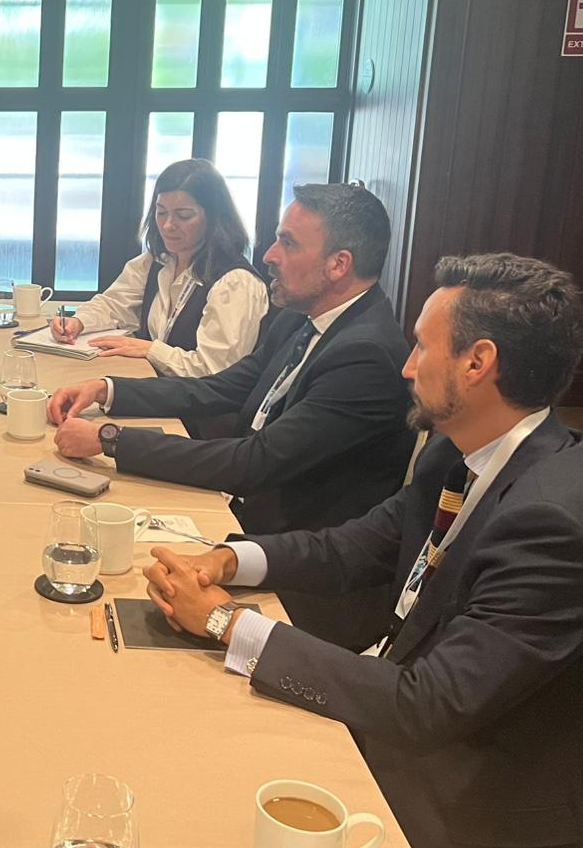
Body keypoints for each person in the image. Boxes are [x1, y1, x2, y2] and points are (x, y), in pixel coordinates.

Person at [143, 253, 583, 848]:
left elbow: (426, 705)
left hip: (480, 827)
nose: (406, 366)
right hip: (428, 746)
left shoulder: (554, 525)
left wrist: (227, 625)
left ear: (478, 363)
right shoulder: (461, 452)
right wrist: (229, 559)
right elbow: (357, 545)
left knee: (196, 834)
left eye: (421, 346)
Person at [49, 183, 414, 648]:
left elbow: (254, 463)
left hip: (302, 578)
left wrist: (111, 439)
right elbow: (219, 388)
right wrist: (109, 390)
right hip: (243, 528)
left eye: (288, 243)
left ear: (338, 264)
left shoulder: (365, 356)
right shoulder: (301, 319)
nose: (269, 255)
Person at [50, 158, 268, 377]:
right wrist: (78, 322)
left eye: (183, 216)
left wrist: (151, 350)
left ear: (213, 218)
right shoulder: (157, 261)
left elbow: (216, 370)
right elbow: (113, 305)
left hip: (193, 398)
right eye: (161, 212)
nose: (167, 225)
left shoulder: (235, 282)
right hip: (156, 386)